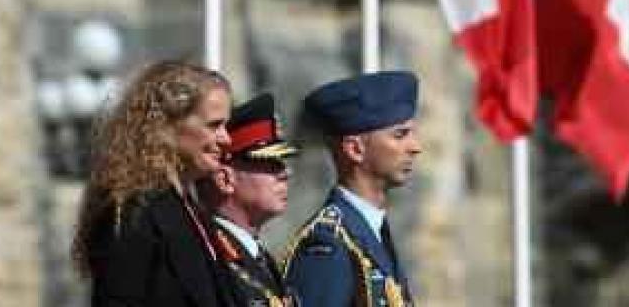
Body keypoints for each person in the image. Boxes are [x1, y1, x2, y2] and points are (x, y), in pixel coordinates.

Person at [72, 60, 241, 307]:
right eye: (214, 125)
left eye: (226, 126)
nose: (226, 139)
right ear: (167, 127)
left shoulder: (192, 212)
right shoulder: (133, 211)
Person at [284, 71, 422, 307]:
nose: (415, 147)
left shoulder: (373, 229)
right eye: (400, 135)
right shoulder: (328, 244)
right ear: (355, 149)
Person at [199, 93, 300, 307]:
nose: (285, 173)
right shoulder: (208, 259)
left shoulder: (257, 257)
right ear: (225, 179)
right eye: (271, 164)